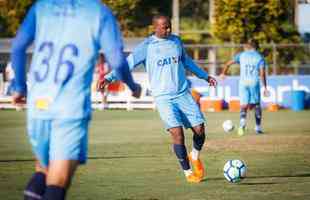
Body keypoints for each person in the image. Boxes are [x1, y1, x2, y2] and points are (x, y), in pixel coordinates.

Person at [11, 1, 141, 200]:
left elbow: (18, 46)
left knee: (43, 170)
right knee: (57, 180)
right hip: (69, 106)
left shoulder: (42, 6)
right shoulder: (99, 12)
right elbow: (116, 59)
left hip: (38, 103)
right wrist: (133, 86)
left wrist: (19, 86)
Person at [104, 14, 217, 183]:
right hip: (163, 98)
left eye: (169, 26)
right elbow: (127, 64)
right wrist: (108, 78)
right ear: (155, 27)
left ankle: (194, 155)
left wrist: (205, 76)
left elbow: (187, 62)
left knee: (200, 130)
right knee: (177, 133)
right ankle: (188, 174)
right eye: (164, 27)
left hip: (183, 94)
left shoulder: (176, 41)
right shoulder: (147, 46)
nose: (168, 29)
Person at [220, 39, 268, 136]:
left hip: (243, 83)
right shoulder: (259, 57)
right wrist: (265, 87)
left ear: (249, 46)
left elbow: (228, 63)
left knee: (244, 105)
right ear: (257, 47)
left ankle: (242, 124)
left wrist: (223, 73)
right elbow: (262, 74)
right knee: (257, 105)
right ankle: (258, 127)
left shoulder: (241, 55)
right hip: (254, 82)